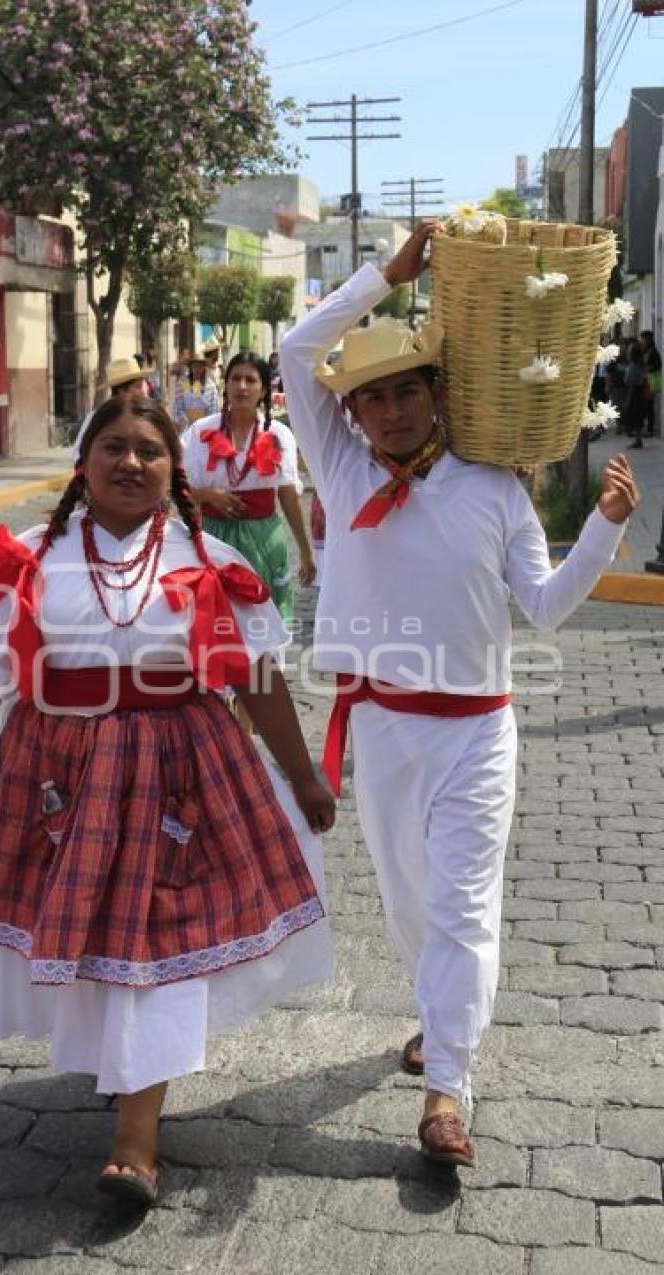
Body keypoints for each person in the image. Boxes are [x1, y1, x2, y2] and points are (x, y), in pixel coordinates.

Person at [0, 393, 335, 1209]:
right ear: (82, 466)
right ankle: (119, 1067)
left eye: (149, 451)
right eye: (113, 447)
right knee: (96, 936)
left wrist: (300, 774)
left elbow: (254, 676)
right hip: (60, 776)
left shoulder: (208, 558)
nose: (131, 462)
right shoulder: (29, 561)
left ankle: (136, 1138)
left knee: (153, 947)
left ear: (173, 468)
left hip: (180, 773)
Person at [280, 221, 639, 1169]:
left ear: (439, 394)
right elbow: (294, 348)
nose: (391, 411)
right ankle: (438, 1018)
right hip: (383, 732)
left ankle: (449, 1085)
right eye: (373, 399)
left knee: (466, 907)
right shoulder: (340, 466)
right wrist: (383, 278)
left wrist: (599, 531)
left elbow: (547, 609)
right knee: (410, 906)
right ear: (349, 416)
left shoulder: (495, 489)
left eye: (407, 389)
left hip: (478, 733)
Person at [182, 350, 316, 626]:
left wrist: (305, 550)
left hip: (265, 539)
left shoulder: (279, 435)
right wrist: (210, 496)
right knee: (220, 619)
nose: (242, 386)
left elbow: (288, 495)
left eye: (250, 380)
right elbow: (179, 489)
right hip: (215, 538)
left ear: (264, 388)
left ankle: (267, 668)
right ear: (226, 384)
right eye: (235, 379)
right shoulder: (199, 432)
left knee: (265, 619)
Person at [71, 356, 154, 457]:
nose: (143, 391)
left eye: (143, 386)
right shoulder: (98, 418)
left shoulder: (147, 415)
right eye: (138, 387)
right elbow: (79, 454)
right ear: (122, 390)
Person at [172, 351, 219, 433]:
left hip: (205, 428)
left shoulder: (210, 386)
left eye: (200, 366)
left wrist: (204, 424)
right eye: (195, 366)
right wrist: (186, 421)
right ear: (191, 367)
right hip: (186, 428)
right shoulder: (184, 383)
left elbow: (214, 410)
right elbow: (178, 406)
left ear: (204, 367)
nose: (197, 369)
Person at [623, 340, 648, 449]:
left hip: (634, 393)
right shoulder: (641, 364)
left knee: (635, 415)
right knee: (638, 416)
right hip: (640, 392)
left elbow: (631, 383)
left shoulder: (633, 366)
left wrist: (628, 399)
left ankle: (638, 440)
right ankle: (638, 439)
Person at [640, 330, 661, 438]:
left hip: (652, 381)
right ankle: (647, 428)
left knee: (649, 406)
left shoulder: (653, 352)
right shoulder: (646, 351)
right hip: (647, 381)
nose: (642, 341)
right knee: (647, 405)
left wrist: (646, 369)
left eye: (643, 339)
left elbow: (657, 366)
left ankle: (650, 429)